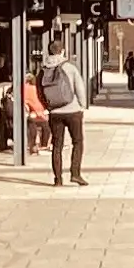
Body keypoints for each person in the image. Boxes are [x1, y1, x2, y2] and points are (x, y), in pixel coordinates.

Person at [36, 34, 92, 184]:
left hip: (54, 113)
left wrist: (48, 106)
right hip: (73, 111)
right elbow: (80, 88)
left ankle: (58, 179)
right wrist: (82, 105)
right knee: (78, 142)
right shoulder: (69, 67)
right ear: (62, 51)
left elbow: (39, 92)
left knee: (57, 145)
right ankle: (75, 173)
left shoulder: (43, 71)